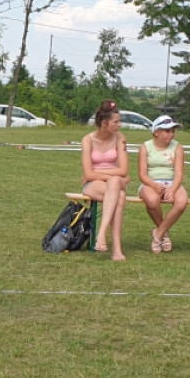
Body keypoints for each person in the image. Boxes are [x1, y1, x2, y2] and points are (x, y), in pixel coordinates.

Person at [81, 100, 129, 261]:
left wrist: (100, 173)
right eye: (116, 122)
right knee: (119, 195)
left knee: (115, 183)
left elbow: (124, 170)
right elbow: (88, 174)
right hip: (94, 185)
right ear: (104, 123)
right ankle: (116, 249)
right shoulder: (87, 140)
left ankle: (101, 235)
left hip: (114, 183)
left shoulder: (120, 138)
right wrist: (113, 176)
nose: (119, 125)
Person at [138, 115, 189, 253]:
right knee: (152, 200)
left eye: (173, 131)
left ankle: (158, 234)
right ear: (156, 132)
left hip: (172, 182)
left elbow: (179, 173)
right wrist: (153, 185)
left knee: (182, 202)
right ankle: (164, 233)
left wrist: (172, 189)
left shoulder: (178, 147)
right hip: (151, 182)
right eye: (167, 131)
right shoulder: (145, 147)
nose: (171, 134)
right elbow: (142, 174)